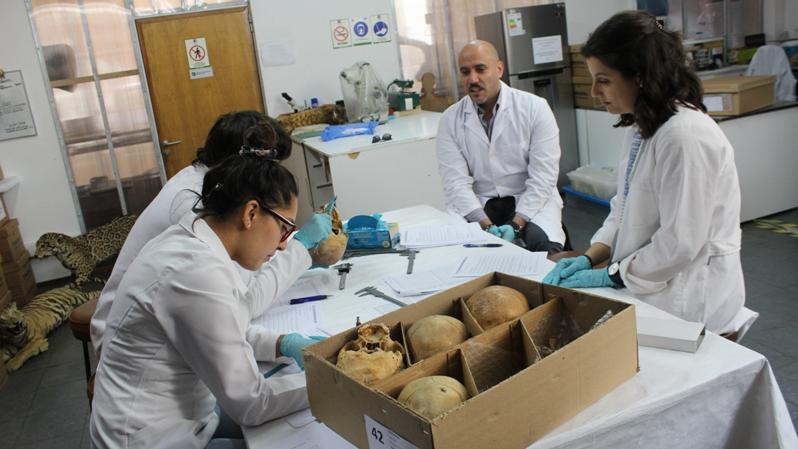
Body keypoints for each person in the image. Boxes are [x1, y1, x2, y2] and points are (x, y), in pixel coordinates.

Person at [90, 151, 324, 449]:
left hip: (173, 418)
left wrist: (282, 343)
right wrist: (329, 378)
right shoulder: (194, 271)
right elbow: (251, 403)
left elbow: (222, 326)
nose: (282, 246)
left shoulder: (192, 237)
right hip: (148, 440)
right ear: (251, 213)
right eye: (284, 228)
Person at [543, 11, 745, 334]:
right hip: (650, 282)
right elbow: (623, 208)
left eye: (604, 80)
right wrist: (592, 256)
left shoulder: (685, 136)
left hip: (690, 300)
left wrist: (612, 274)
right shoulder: (643, 127)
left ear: (640, 76)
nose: (595, 92)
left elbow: (680, 243)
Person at [90, 111, 331, 354]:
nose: (270, 178)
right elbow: (246, 302)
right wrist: (300, 249)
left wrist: (297, 253)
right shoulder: (198, 204)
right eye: (267, 166)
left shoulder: (206, 184)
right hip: (130, 343)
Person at [436, 40, 565, 253]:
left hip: (529, 199)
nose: (473, 79)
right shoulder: (450, 119)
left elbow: (543, 178)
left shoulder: (535, 108)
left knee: (542, 248)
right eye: (465, 72)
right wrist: (485, 225)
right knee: (460, 252)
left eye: (480, 69)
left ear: (499, 69)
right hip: (479, 202)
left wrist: (516, 225)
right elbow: (455, 182)